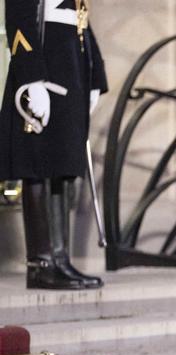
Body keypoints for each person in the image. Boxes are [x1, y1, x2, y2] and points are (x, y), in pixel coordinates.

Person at [0, 0, 108, 290]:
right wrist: (31, 77)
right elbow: (19, 17)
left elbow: (82, 22)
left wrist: (95, 75)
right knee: (38, 167)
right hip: (43, 74)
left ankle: (60, 259)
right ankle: (41, 263)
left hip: (68, 74)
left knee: (61, 169)